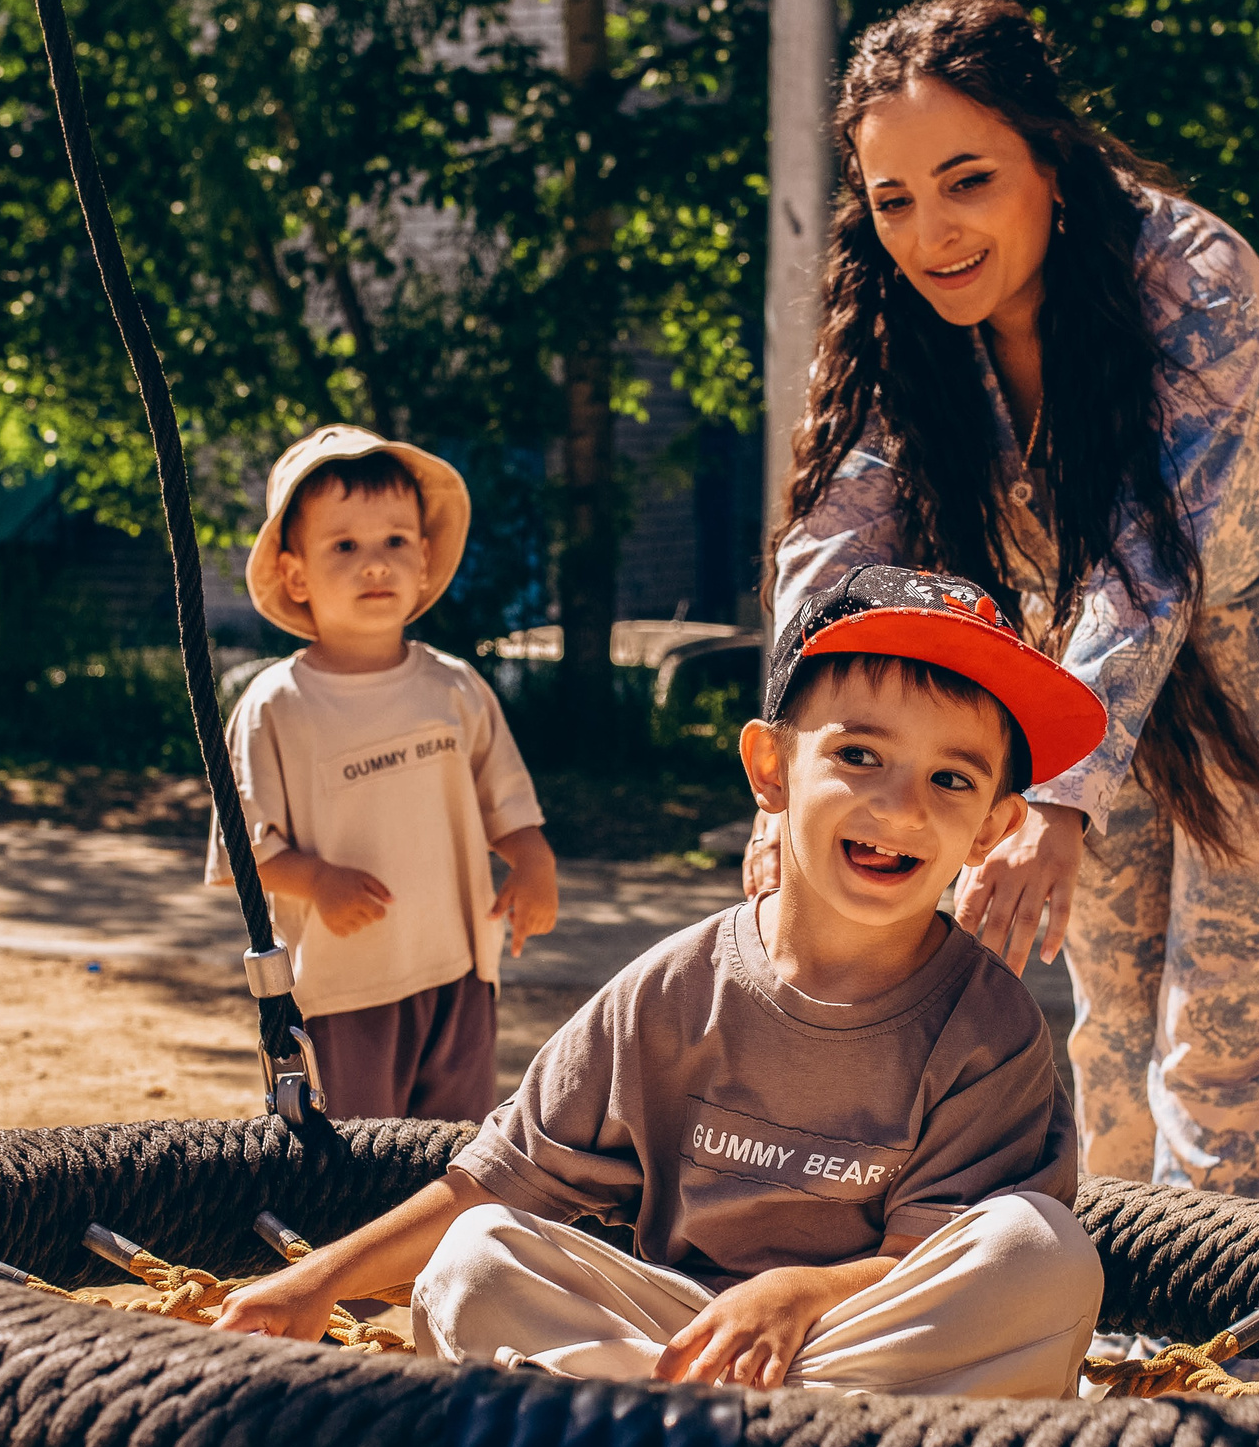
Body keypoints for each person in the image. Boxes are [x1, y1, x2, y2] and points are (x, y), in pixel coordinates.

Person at [765, 0, 1259, 1206]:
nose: (931, 233)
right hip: (1100, 715)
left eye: (967, 181)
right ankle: (1139, 1348)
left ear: (1050, 159)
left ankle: (1233, 1385)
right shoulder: (903, 320)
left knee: (1227, 1082)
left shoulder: (1193, 283)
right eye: (893, 200)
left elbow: (1149, 557)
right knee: (1108, 1059)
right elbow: (837, 555)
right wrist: (796, 774)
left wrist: (1054, 799)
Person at [216, 566, 1108, 1397]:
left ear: (992, 826)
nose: (904, 805)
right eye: (860, 756)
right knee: (475, 1259)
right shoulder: (671, 991)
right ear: (770, 769)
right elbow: (495, 1182)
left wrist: (802, 1294)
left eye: (951, 778)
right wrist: (317, 1279)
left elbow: (934, 1262)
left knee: (1043, 1253)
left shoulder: (989, 1028)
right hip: (676, 1345)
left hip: (860, 1346)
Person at [210, 424, 560, 1122]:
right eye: (345, 546)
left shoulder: (455, 688)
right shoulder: (275, 704)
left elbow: (507, 801)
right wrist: (314, 879)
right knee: (355, 1166)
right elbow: (241, 848)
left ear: (426, 561)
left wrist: (531, 860)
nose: (375, 564)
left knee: (447, 1154)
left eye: (395, 542)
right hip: (342, 989)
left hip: (459, 976)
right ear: (295, 573)